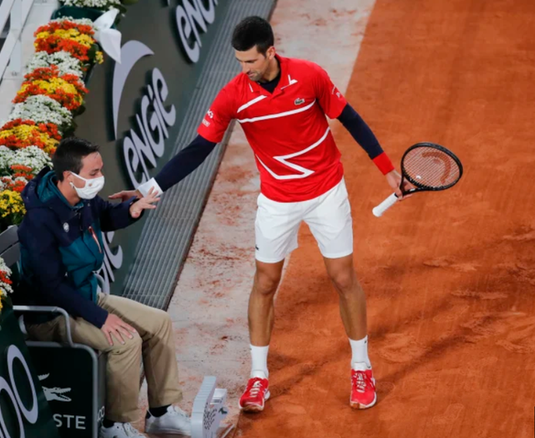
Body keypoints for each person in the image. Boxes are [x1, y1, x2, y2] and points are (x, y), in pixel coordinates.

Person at [110, 16, 414, 413]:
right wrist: (151, 188)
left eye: (250, 62)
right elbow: (198, 149)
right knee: (266, 281)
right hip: (277, 200)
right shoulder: (233, 96)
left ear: (270, 52)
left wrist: (387, 169)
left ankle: (361, 367)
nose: (244, 70)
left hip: (326, 192)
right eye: (239, 62)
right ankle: (258, 377)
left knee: (343, 277)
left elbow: (350, 119)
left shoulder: (310, 76)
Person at [17, 137, 192, 438]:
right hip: (52, 315)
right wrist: (101, 318)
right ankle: (115, 426)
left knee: (159, 323)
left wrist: (132, 209)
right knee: (125, 341)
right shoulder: (39, 221)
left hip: (83, 296)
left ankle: (162, 413)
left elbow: (107, 216)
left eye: (100, 170)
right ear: (70, 177)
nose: (100, 178)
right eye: (94, 173)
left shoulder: (81, 199)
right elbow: (53, 287)